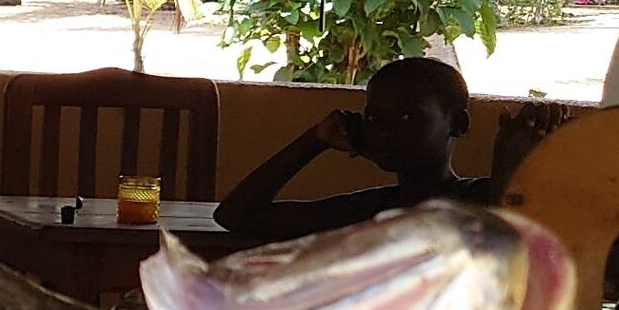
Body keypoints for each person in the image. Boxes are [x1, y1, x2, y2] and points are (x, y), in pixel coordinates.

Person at [215, 55, 569, 240]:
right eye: (373, 118)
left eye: (408, 118)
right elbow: (236, 215)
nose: (385, 132)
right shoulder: (370, 210)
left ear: (457, 125)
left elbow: (512, 243)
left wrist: (513, 160)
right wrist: (314, 140)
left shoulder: (481, 198)